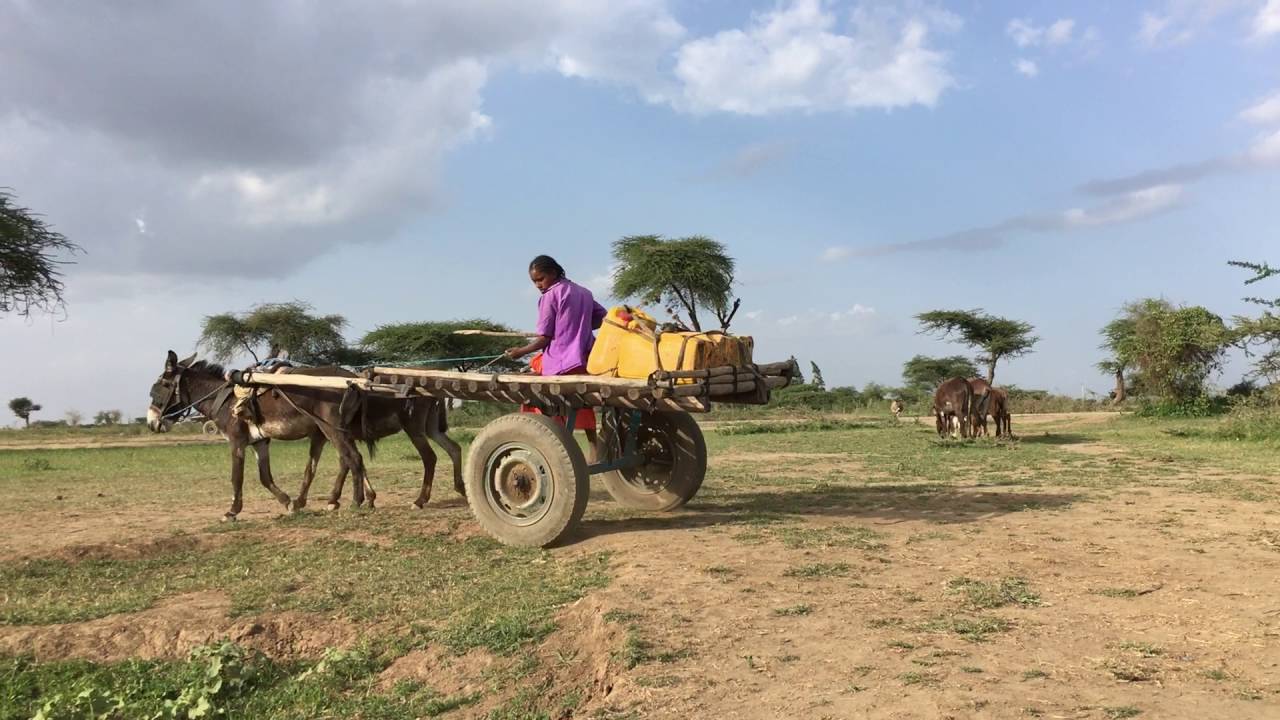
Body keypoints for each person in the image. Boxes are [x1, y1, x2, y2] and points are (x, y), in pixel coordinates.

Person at [506, 255, 607, 456]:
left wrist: (520, 352)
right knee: (581, 400)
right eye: (534, 281)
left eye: (540, 279)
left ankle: (542, 445)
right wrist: (580, 326)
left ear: (553, 273)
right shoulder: (584, 292)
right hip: (585, 359)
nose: (538, 285)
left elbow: (544, 338)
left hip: (559, 361)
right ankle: (594, 448)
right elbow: (602, 319)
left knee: (531, 392)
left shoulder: (550, 296)